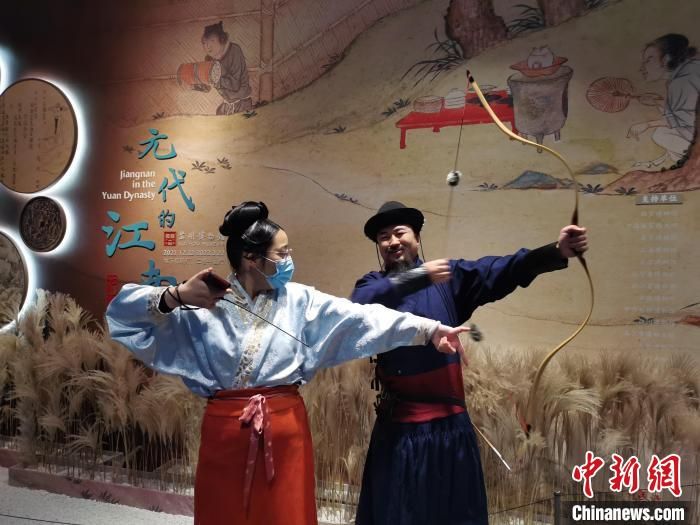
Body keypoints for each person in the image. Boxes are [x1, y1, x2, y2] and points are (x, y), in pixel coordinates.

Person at [106, 201, 468, 525]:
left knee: (285, 514)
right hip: (224, 435)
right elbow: (122, 317)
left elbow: (361, 318)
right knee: (224, 513)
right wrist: (176, 295)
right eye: (282, 252)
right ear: (252, 258)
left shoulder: (300, 300)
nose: (289, 258)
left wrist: (428, 329)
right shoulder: (205, 301)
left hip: (285, 432)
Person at [351, 201, 589, 525]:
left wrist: (556, 251)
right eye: (383, 237)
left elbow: (501, 270)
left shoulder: (447, 280)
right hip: (398, 435)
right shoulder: (372, 285)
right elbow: (361, 302)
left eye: (399, 232)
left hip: (450, 433)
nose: (392, 242)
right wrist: (419, 277)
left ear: (416, 237)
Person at [627, 33, 699, 168]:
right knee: (665, 134)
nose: (642, 68)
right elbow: (683, 115)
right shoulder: (690, 70)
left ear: (666, 59)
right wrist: (657, 102)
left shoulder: (682, 81)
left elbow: (687, 122)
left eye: (648, 60)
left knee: (660, 135)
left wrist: (648, 124)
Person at [196, 21, 253, 115]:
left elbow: (235, 85)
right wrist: (197, 84)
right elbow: (207, 87)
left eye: (212, 41)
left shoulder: (234, 50)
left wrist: (215, 77)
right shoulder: (209, 59)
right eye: (204, 43)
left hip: (242, 103)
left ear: (222, 39)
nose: (208, 46)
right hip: (227, 105)